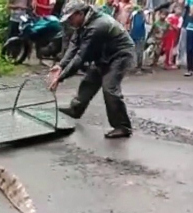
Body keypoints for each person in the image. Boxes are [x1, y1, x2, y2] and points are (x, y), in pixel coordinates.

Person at [48, 0, 136, 139]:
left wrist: (61, 77)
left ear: (80, 14)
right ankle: (75, 109)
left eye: (71, 18)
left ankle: (122, 126)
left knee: (110, 89)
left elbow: (80, 56)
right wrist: (61, 65)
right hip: (104, 54)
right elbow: (74, 44)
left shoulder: (98, 26)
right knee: (89, 81)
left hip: (120, 55)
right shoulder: (83, 22)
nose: (70, 21)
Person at [130, 5, 148, 73]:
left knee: (139, 51)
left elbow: (147, 22)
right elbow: (131, 24)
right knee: (135, 51)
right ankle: (136, 66)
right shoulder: (134, 15)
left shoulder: (144, 15)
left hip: (141, 36)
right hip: (134, 35)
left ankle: (139, 67)